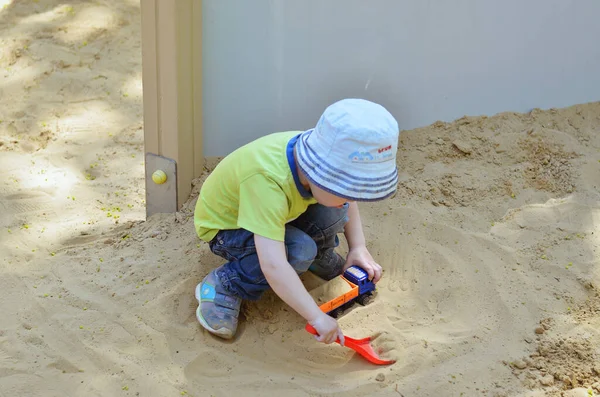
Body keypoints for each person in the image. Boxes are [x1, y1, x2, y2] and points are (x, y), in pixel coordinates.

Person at [193, 98, 399, 345]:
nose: (350, 199)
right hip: (229, 228)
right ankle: (225, 284)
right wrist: (316, 316)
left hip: (280, 211)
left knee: (334, 211)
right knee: (299, 250)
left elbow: (345, 199)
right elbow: (273, 265)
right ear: (318, 173)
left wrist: (358, 247)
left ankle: (318, 255)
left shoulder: (321, 152)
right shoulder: (268, 183)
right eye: (344, 189)